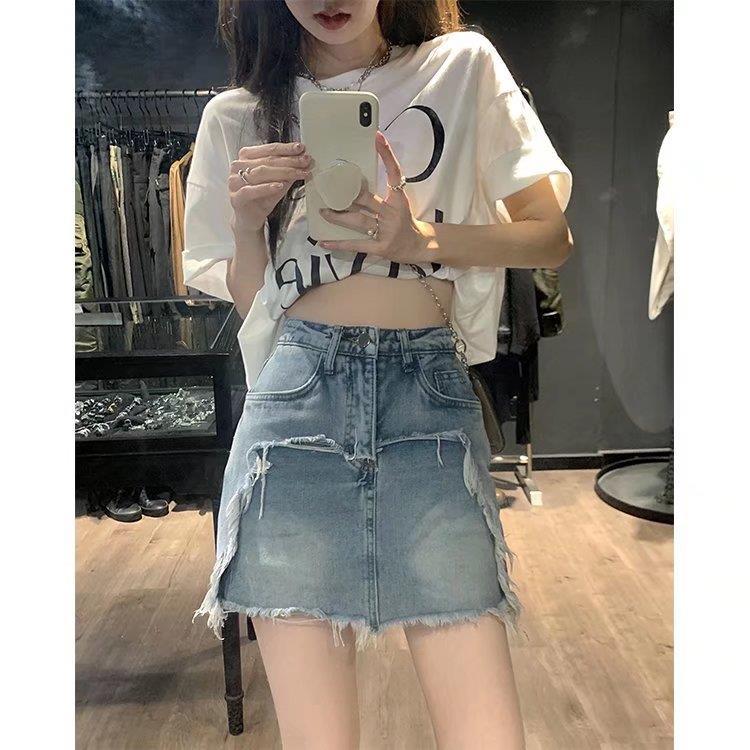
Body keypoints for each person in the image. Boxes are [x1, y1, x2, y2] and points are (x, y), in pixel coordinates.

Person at [184, 1, 573, 747]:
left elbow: (550, 236)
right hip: (294, 418)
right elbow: (254, 304)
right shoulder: (237, 116)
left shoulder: (460, 67)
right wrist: (246, 224)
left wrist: (424, 238)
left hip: (426, 405)